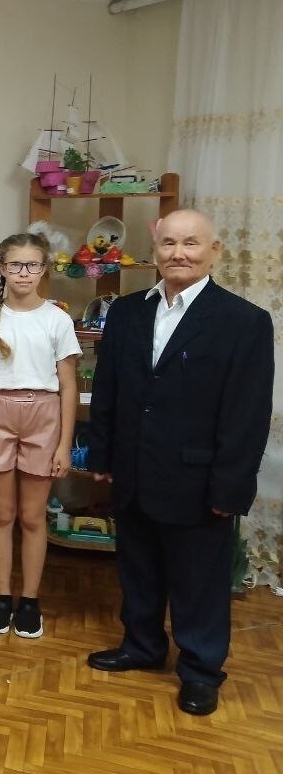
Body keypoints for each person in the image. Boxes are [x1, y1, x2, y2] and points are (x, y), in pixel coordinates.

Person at [85, 209, 273, 716]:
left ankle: (201, 670)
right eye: (168, 243)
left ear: (214, 251)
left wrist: (231, 487)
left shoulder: (244, 322)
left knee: (199, 582)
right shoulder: (127, 313)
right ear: (155, 250)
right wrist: (102, 453)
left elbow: (247, 415)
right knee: (138, 570)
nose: (178, 254)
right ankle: (142, 646)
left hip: (199, 478)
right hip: (133, 469)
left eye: (191, 243)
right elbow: (109, 390)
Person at [0, 233, 79, 639]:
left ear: (44, 269)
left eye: (32, 265)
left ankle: (30, 600)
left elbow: (68, 385)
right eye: (15, 265)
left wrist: (63, 445)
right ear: (2, 268)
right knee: (1, 515)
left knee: (32, 516)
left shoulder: (57, 319)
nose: (24, 273)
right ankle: (1, 597)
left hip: (43, 416)